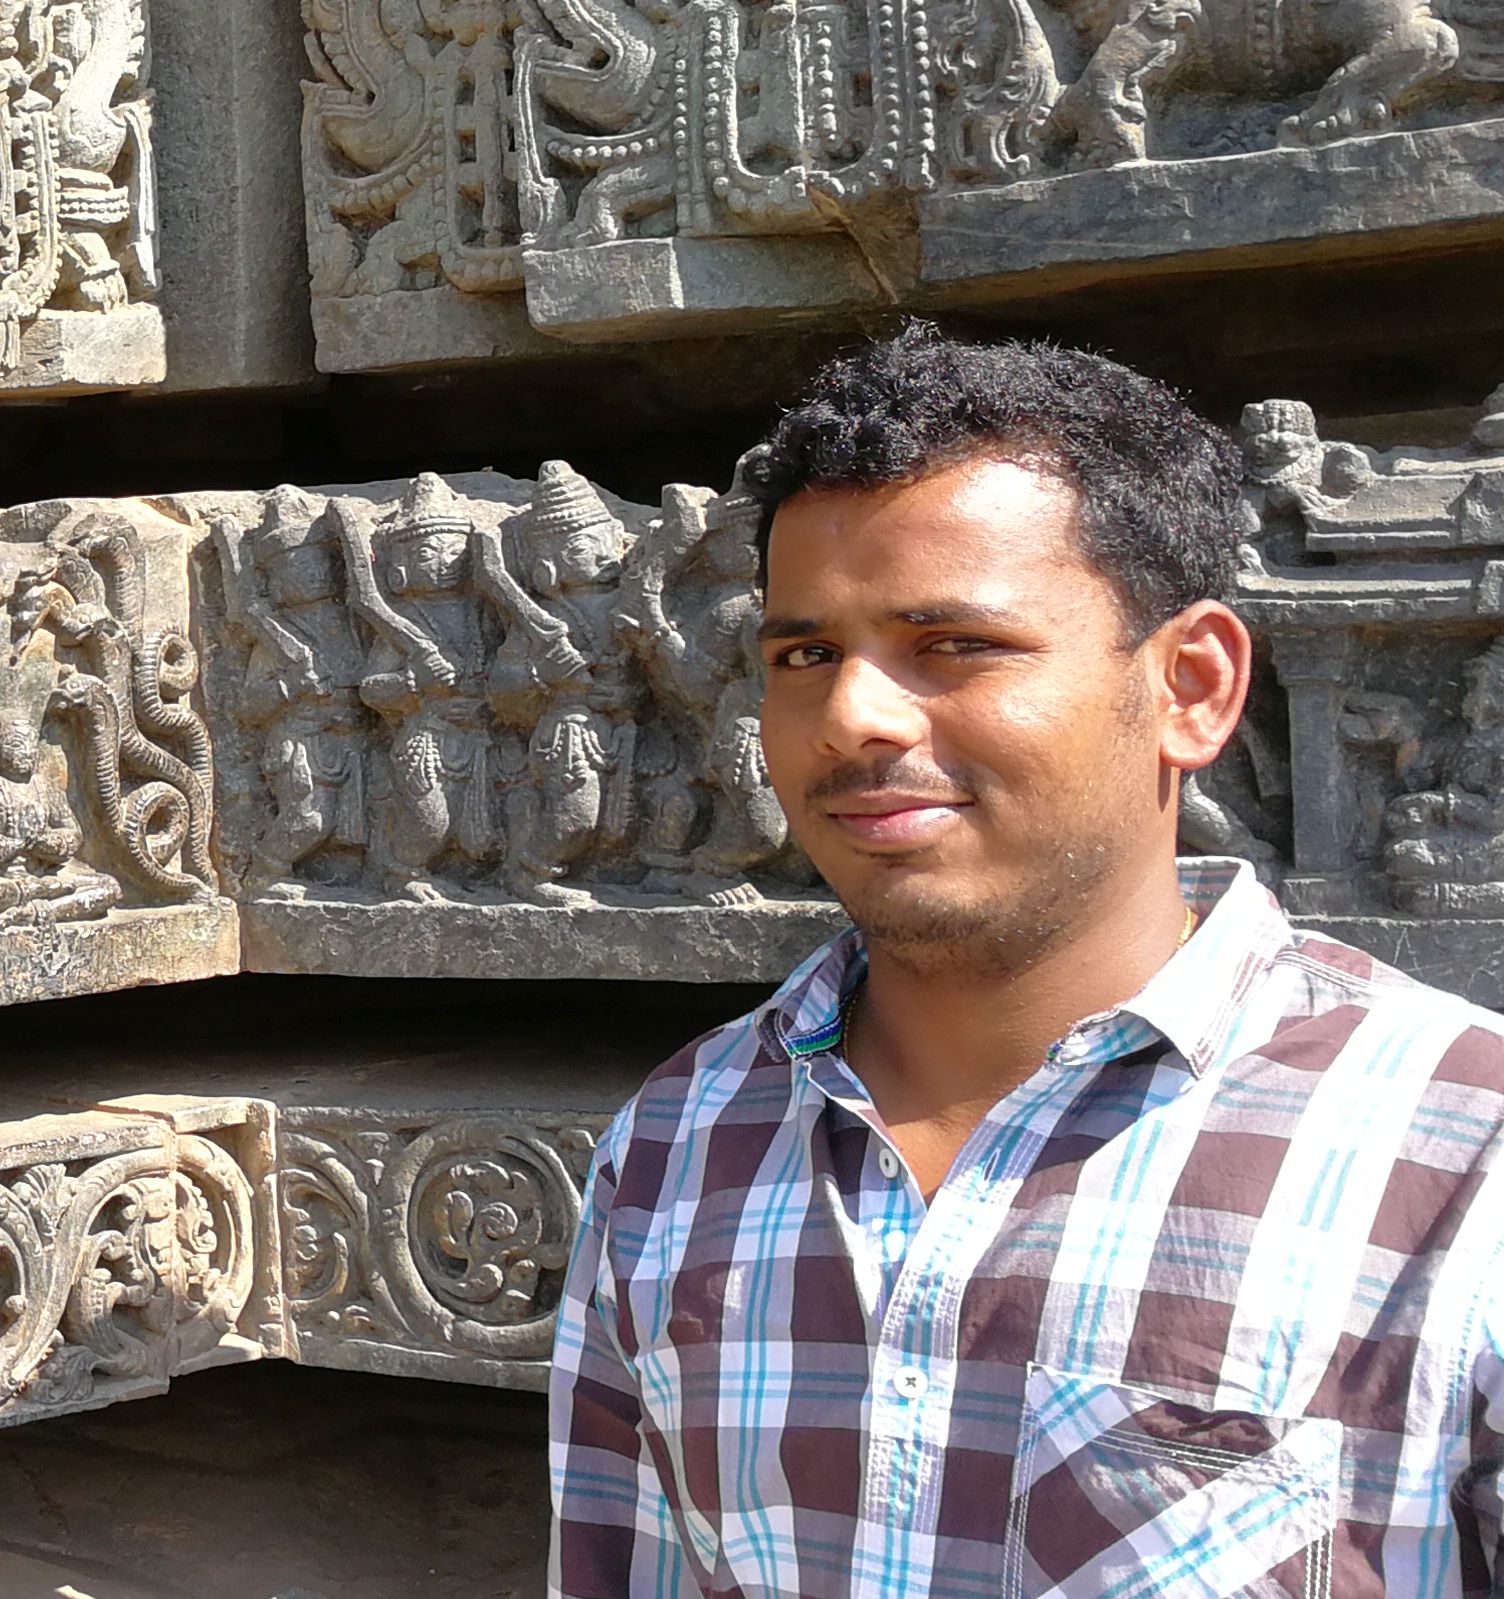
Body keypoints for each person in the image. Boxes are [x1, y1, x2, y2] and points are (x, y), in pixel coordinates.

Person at [549, 323, 1504, 1595]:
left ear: (1189, 686)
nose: (849, 715)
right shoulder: (680, 1141)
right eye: (803, 654)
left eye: (952, 644)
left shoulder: (1457, 1155)